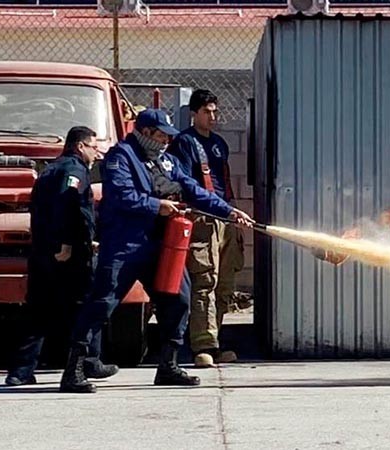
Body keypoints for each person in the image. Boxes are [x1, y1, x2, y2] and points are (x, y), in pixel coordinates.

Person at [59, 109, 253, 394]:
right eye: (161, 135)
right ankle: (75, 369)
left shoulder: (166, 161)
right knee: (102, 303)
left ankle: (169, 366)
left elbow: (192, 189)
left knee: (179, 299)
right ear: (146, 132)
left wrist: (228, 211)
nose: (165, 140)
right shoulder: (120, 157)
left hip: (160, 247)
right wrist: (156, 206)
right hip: (124, 245)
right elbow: (122, 195)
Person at [5, 126, 118, 386]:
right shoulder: (74, 171)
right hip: (69, 255)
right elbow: (67, 206)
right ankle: (89, 362)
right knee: (87, 306)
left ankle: (21, 371)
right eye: (93, 147)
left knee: (38, 310)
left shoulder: (49, 170)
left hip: (42, 251)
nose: (96, 153)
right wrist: (67, 243)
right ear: (80, 146)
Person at [167, 89, 244, 368]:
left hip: (226, 218)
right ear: (194, 113)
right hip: (203, 219)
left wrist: (233, 214)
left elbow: (225, 180)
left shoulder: (220, 144)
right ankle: (203, 345)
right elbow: (189, 186)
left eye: (215, 111)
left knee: (225, 283)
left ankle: (217, 340)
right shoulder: (184, 143)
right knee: (204, 281)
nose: (212, 116)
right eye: (206, 111)